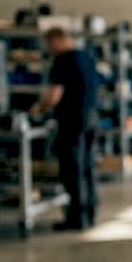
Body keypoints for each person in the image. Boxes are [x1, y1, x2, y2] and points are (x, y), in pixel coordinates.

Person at [30, 27, 100, 231]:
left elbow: (54, 96)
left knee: (73, 170)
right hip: (91, 118)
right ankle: (90, 213)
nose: (48, 50)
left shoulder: (62, 61)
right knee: (87, 168)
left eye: (48, 45)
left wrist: (38, 109)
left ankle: (76, 219)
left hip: (72, 122)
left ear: (57, 41)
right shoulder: (86, 57)